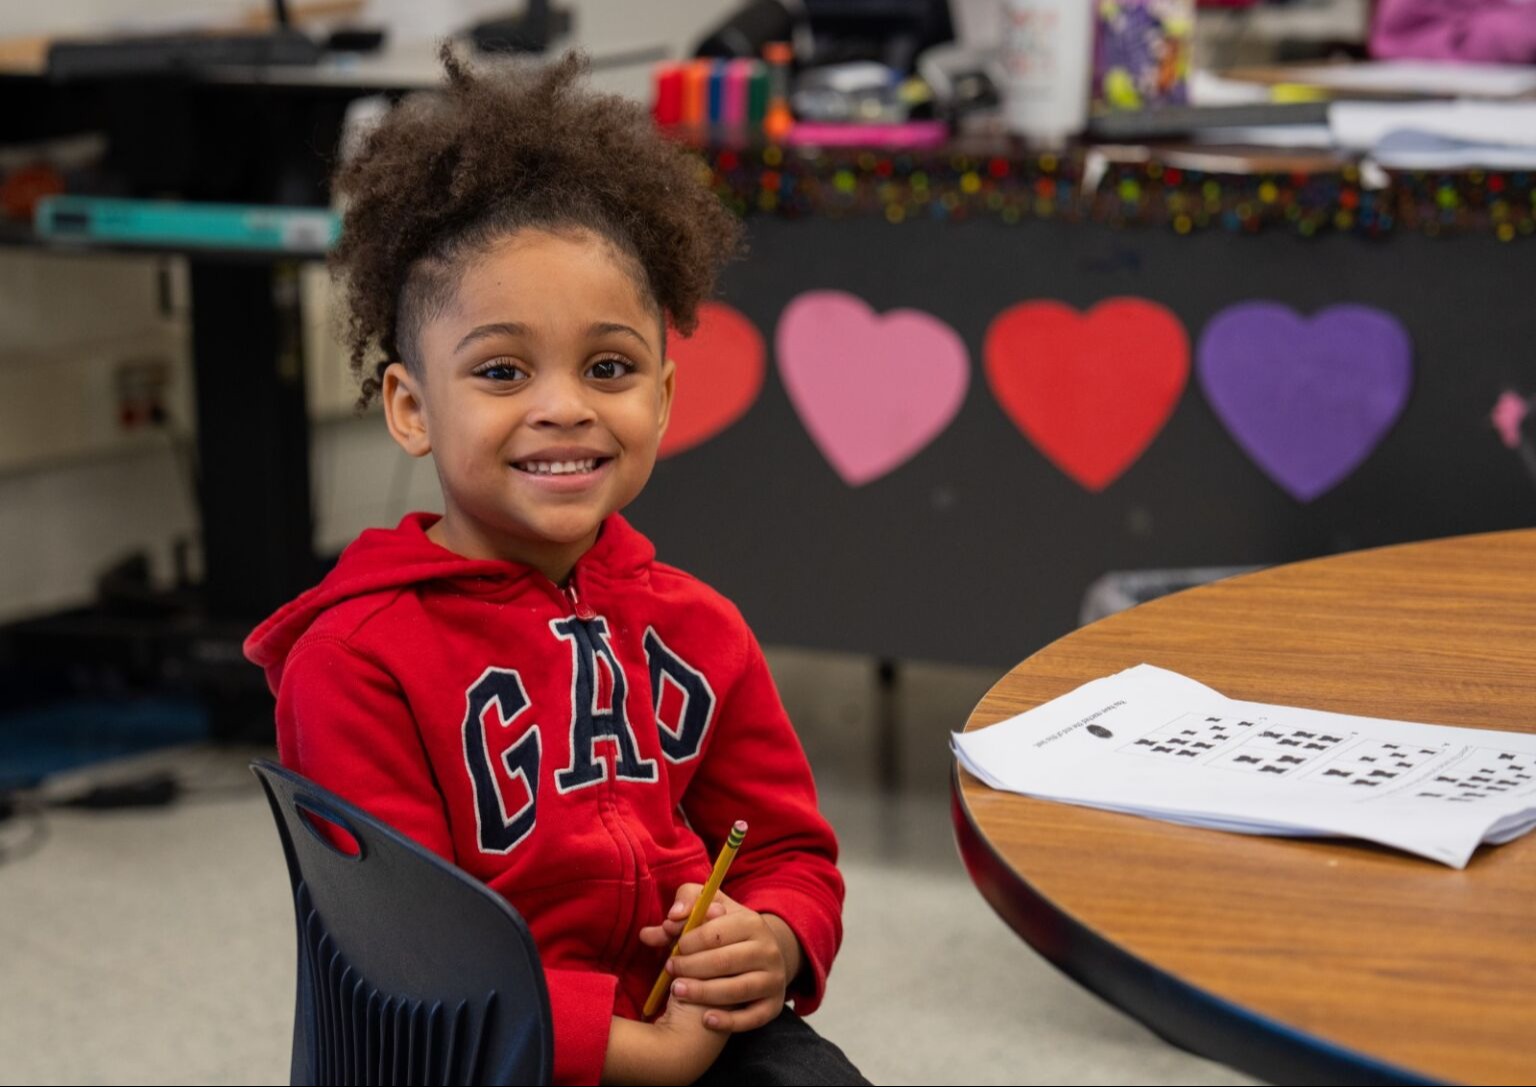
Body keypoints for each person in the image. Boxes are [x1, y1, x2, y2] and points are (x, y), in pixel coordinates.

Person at [244, 49, 866, 1087]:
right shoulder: (354, 659)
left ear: (663, 399)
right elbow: (414, 959)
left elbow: (788, 854)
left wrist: (776, 938)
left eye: (609, 367)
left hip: (681, 1021)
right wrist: (639, 1054)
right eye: (500, 371)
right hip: (479, 1048)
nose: (566, 405)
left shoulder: (700, 627)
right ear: (409, 407)